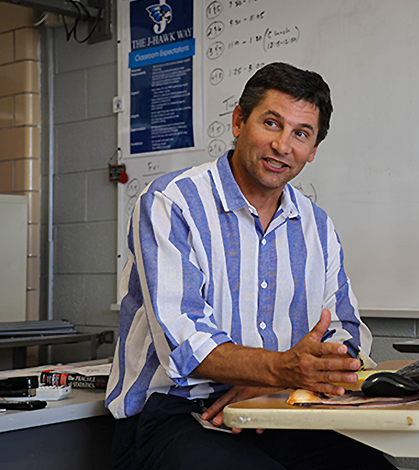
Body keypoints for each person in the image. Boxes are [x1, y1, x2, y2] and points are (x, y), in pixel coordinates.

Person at [105, 62, 397, 470]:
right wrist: (278, 371)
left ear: (312, 151)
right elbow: (186, 341)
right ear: (239, 121)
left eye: (301, 133)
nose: (283, 146)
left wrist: (273, 382)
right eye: (272, 123)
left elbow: (345, 334)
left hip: (278, 407)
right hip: (177, 416)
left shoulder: (317, 225)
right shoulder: (173, 202)